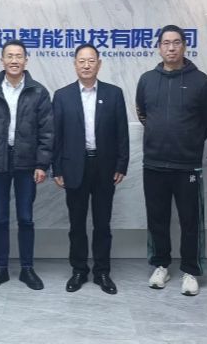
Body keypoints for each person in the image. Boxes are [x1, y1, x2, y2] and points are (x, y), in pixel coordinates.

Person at [135, 24, 207, 296]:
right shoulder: (147, 80)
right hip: (154, 163)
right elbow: (143, 113)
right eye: (166, 43)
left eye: (176, 42)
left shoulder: (200, 81)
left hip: (187, 165)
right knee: (157, 218)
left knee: (190, 220)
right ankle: (161, 265)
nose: (171, 47)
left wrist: (190, 140)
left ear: (184, 46)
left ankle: (191, 270)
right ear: (159, 48)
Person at [0, 39, 53, 291]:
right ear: (2, 60)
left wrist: (42, 164)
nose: (14, 60)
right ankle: (1, 269)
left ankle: (27, 269)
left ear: (26, 60)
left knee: (26, 218)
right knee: (0, 218)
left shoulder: (38, 92)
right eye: (10, 56)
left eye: (19, 56)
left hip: (27, 164)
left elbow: (47, 132)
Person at [52, 43, 129, 295]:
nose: (86, 65)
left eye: (91, 60)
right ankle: (79, 270)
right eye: (81, 61)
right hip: (74, 166)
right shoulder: (62, 95)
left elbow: (122, 132)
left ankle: (102, 272)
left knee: (102, 223)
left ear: (99, 64)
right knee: (76, 223)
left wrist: (121, 164)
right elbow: (56, 136)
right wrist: (57, 168)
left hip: (104, 166)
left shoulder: (114, 93)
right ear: (75, 64)